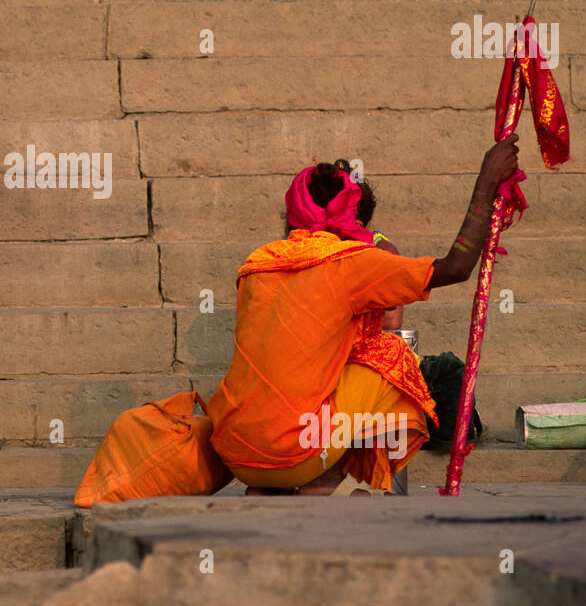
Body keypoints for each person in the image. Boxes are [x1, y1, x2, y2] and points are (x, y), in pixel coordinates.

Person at [207, 137, 520, 494]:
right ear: (353, 219)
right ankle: (323, 480)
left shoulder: (257, 263)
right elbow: (457, 266)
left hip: (235, 456)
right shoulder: (350, 261)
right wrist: (487, 180)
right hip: (294, 454)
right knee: (393, 354)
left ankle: (273, 486)